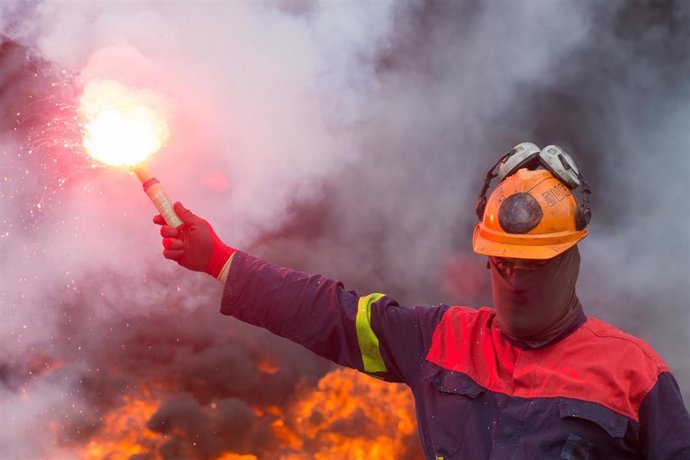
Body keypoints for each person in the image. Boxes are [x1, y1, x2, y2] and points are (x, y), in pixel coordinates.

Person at [154, 142, 690, 459]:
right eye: (504, 262)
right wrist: (219, 259)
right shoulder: (441, 339)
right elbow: (329, 313)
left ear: (571, 256)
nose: (515, 280)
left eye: (535, 264)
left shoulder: (635, 376)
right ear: (486, 257)